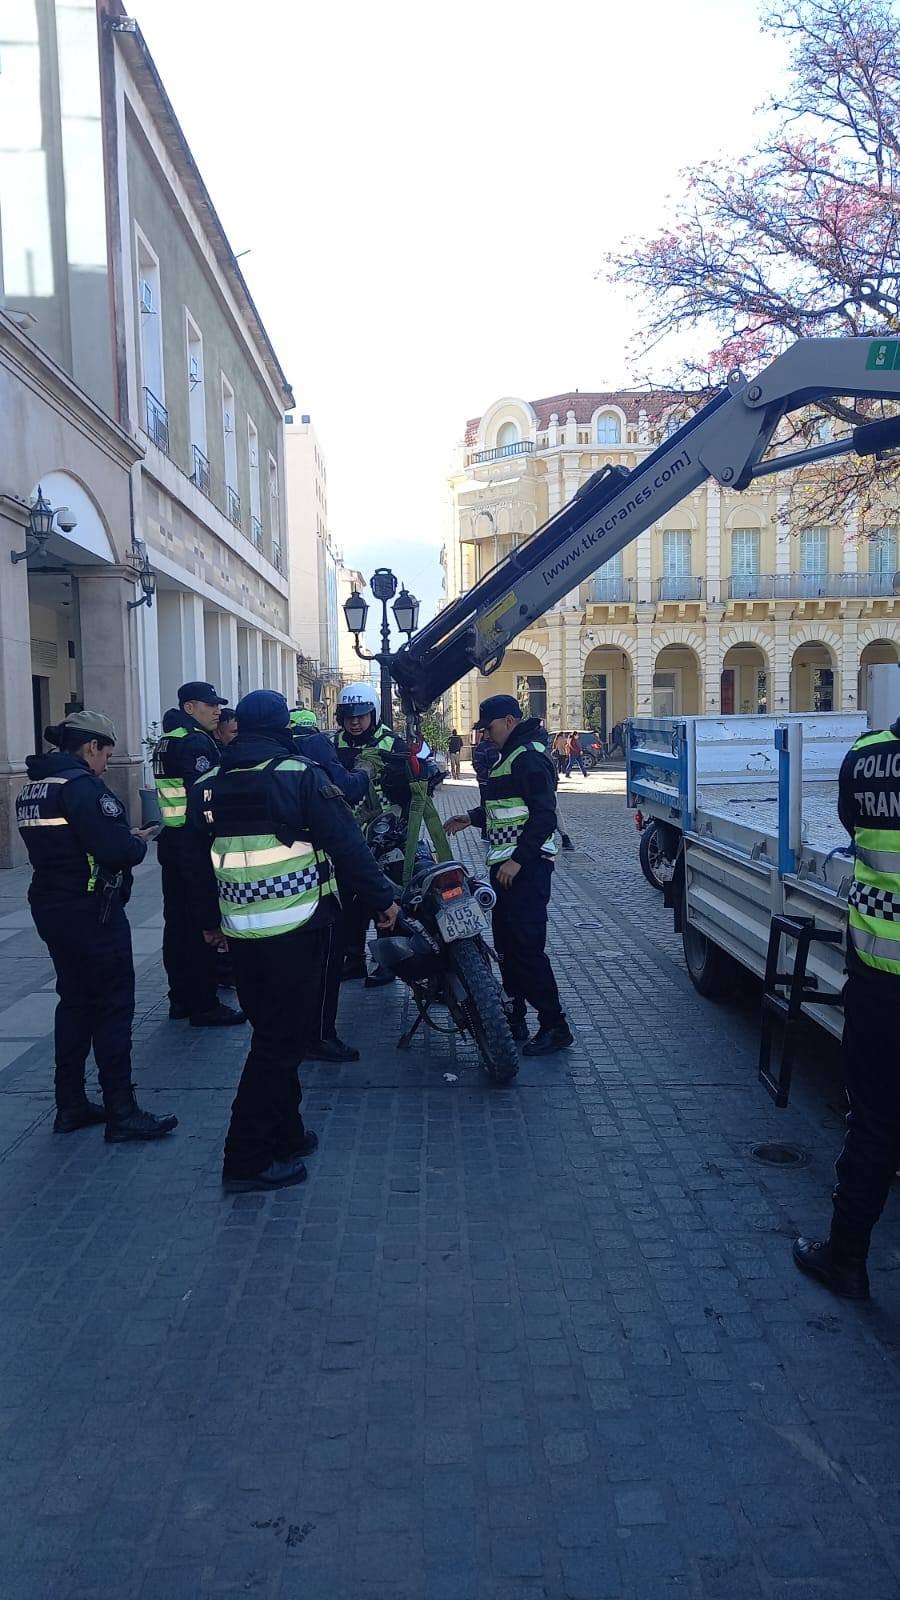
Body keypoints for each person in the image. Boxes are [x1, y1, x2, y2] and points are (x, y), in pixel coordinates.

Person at [182, 690, 400, 1192]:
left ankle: (287, 1133)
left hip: (241, 934)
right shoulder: (299, 776)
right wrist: (384, 901)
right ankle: (246, 1158)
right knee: (280, 1045)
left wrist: (208, 921)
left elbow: (192, 864)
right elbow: (348, 845)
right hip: (296, 930)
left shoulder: (208, 784)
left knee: (273, 1034)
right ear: (282, 728)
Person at [16, 711, 178, 1142]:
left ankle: (69, 1104)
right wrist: (136, 840)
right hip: (92, 912)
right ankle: (121, 1111)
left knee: (73, 1003)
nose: (107, 761)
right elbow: (115, 849)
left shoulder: (33, 787)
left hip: (52, 906)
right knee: (111, 1006)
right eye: (106, 752)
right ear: (91, 747)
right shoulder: (83, 788)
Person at [793, 712, 900, 1302]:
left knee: (874, 1124)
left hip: (880, 982)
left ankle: (848, 1260)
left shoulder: (865, 758)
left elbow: (852, 827)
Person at [445, 695, 573, 1056]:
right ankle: (515, 1016)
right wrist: (471, 817)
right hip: (506, 873)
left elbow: (544, 815)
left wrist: (517, 860)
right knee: (506, 948)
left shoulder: (528, 758)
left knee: (526, 950)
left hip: (526, 871)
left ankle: (554, 1025)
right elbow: (504, 808)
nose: (485, 735)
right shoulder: (511, 757)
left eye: (489, 727)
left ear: (510, 721)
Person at [153, 682, 245, 1029]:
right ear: (189, 707)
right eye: (209, 705)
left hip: (172, 841)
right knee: (199, 925)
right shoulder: (193, 742)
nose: (217, 711)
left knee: (176, 925)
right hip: (193, 842)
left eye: (218, 705)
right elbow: (206, 793)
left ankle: (181, 998)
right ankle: (204, 1003)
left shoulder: (168, 739)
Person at [289, 706, 370, 1061]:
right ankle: (319, 1037)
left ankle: (287, 1035)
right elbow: (347, 797)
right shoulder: (313, 756)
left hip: (251, 907)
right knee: (322, 965)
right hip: (314, 891)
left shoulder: (230, 767)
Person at [332, 682, 408, 984]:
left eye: (361, 715)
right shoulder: (331, 744)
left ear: (373, 714)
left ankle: (387, 962)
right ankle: (353, 959)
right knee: (348, 900)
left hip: (385, 833)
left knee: (384, 895)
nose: (355, 721)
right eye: (349, 715)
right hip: (345, 834)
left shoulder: (391, 742)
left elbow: (414, 785)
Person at [471, 727, 499, 841]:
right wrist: (489, 774)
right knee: (486, 805)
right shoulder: (482, 746)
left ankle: (495, 830)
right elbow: (477, 764)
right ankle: (485, 832)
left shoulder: (499, 744)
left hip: (498, 782)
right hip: (485, 783)